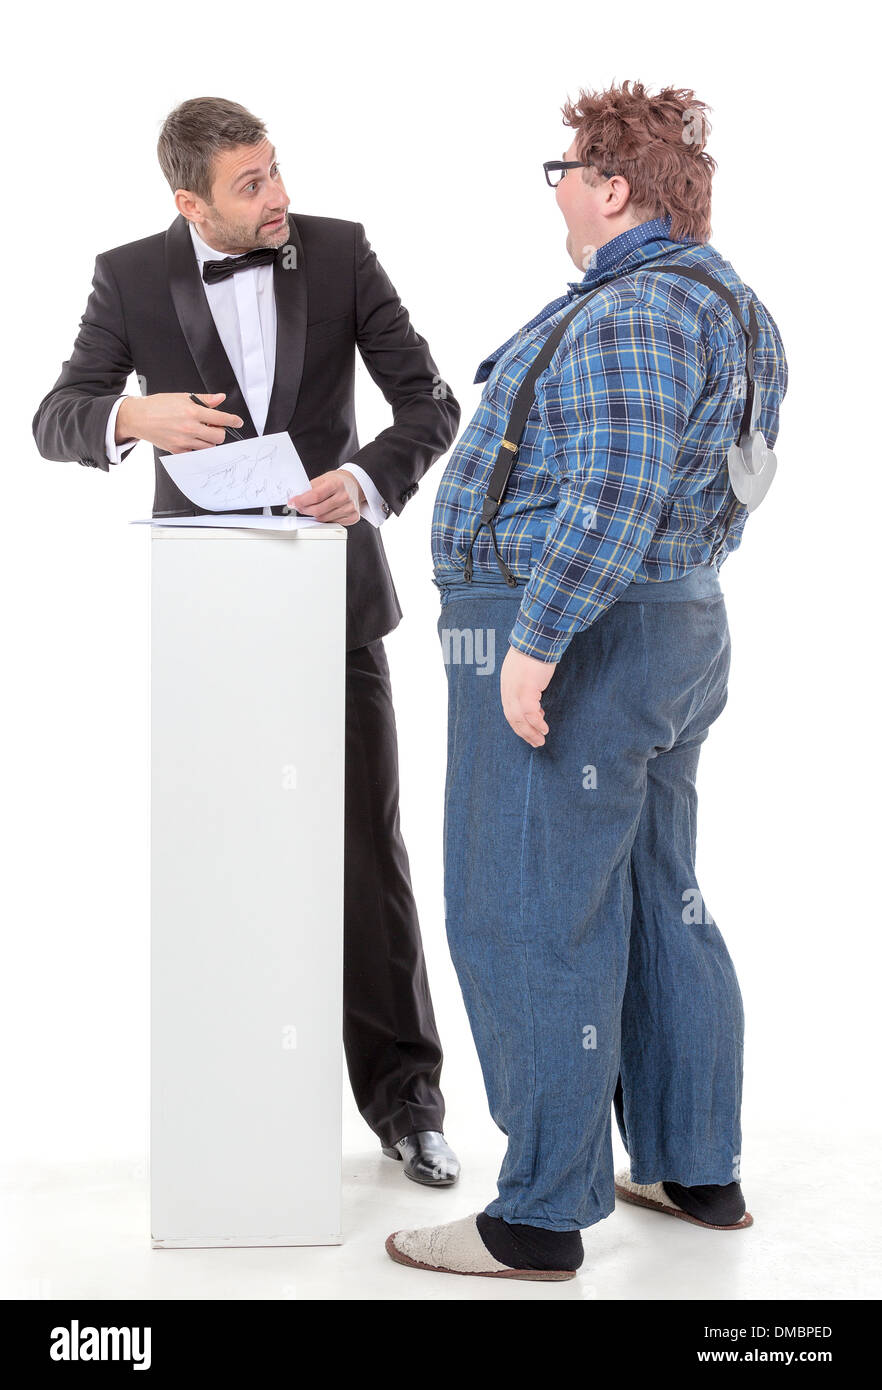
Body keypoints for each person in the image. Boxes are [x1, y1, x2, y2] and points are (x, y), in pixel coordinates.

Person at [385, 80, 787, 1279]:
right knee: (660, 893)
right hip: (673, 630)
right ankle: (687, 1162)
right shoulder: (733, 304)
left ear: (613, 189)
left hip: (579, 639)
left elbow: (611, 495)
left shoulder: (634, 312)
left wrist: (537, 642)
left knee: (526, 910)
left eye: (566, 169)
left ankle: (542, 1213)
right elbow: (731, 476)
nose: (558, 185)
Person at [33, 96, 462, 1188]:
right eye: (251, 185)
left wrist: (365, 479)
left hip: (332, 600)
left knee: (369, 856)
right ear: (190, 202)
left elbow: (429, 400)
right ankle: (236, 1106)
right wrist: (134, 418)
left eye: (277, 172)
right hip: (208, 623)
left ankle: (407, 1103)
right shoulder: (127, 276)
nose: (278, 199)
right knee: (220, 859)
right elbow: (56, 414)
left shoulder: (343, 250)